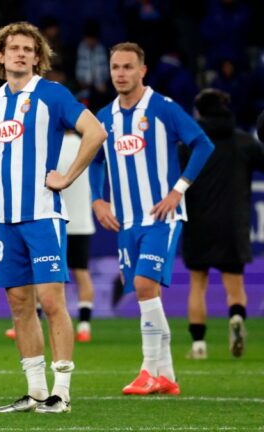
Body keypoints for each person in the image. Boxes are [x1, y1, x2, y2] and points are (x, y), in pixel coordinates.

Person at [0, 22, 107, 414]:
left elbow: (95, 132)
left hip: (44, 215)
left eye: (29, 49)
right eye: (14, 49)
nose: (21, 54)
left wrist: (67, 176)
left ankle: (62, 391)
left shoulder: (52, 95)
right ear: (1, 56)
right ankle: (37, 392)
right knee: (19, 303)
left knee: (51, 300)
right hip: (5, 220)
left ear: (38, 57)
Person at [89, 42, 214, 396]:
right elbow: (95, 160)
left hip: (162, 214)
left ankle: (147, 369)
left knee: (144, 285)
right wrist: (97, 199)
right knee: (149, 293)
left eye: (128, 67)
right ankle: (167, 374)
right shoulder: (104, 117)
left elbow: (203, 144)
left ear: (142, 70)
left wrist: (178, 190)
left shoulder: (163, 108)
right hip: (126, 221)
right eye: (115, 67)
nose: (121, 74)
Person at [183, 88, 262, 359]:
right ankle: (236, 319)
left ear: (199, 112)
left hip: (198, 223)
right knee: (235, 285)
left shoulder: (191, 144)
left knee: (197, 284)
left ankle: (198, 346)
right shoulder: (244, 142)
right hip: (233, 224)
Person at [57, 131, 96, 343]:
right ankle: (84, 325)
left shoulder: (51, 146)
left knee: (51, 274)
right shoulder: (86, 145)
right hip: (81, 221)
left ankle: (37, 320)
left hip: (56, 220)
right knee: (82, 273)